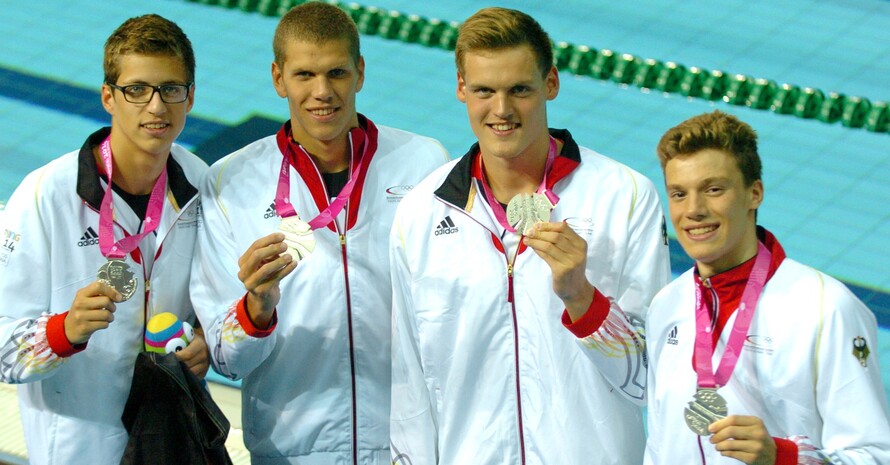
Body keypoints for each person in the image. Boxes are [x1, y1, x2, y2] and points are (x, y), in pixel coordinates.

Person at [388, 7, 671, 464]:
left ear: (551, 84)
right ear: (461, 89)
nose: (501, 110)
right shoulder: (421, 214)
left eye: (519, 89)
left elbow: (654, 381)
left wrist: (583, 300)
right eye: (484, 90)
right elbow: (409, 386)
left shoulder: (624, 198)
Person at [189, 2, 448, 464]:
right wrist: (256, 308)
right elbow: (227, 359)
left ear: (360, 73)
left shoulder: (424, 164)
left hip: (410, 446)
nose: (322, 92)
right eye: (305, 75)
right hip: (292, 450)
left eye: (337, 73)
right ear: (278, 78)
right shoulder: (230, 182)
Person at [0, 14, 209, 465]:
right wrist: (64, 330)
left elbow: (211, 302)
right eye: (137, 90)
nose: (156, 107)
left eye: (171, 89)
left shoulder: (200, 183)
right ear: (108, 98)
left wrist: (206, 342)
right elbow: (2, 349)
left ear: (190, 97)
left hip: (171, 436)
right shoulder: (44, 196)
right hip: (79, 446)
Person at [645, 110, 890, 464]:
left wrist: (784, 458)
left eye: (714, 190)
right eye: (679, 194)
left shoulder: (826, 309)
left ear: (754, 193)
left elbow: (875, 456)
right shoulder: (667, 304)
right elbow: (659, 445)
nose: (693, 210)